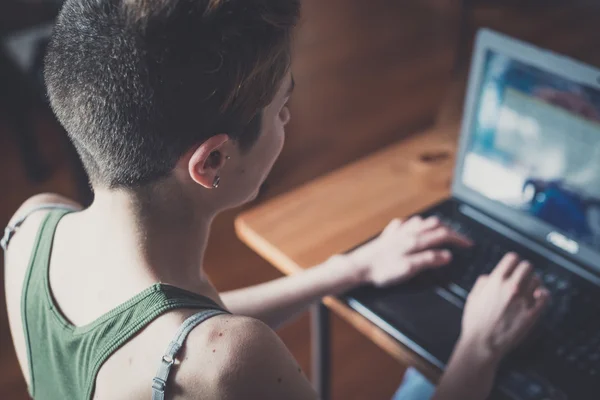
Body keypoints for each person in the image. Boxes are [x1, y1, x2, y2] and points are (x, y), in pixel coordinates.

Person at [2, 1, 550, 399]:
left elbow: (166, 334)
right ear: (211, 161)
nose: (286, 121)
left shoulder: (32, 226)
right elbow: (203, 347)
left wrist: (350, 267)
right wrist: (480, 343)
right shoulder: (230, 362)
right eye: (282, 109)